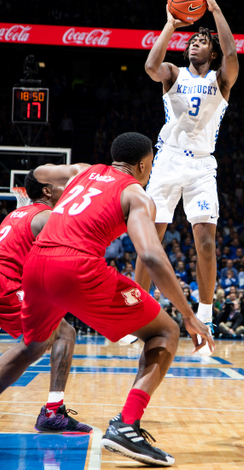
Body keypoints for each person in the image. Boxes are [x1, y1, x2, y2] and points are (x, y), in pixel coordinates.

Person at [19, 133, 214, 466]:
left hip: (35, 265)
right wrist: (188, 313)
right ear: (142, 165)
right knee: (165, 331)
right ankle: (127, 424)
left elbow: (39, 173)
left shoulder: (83, 171)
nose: (150, 172)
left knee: (34, 346)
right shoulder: (137, 194)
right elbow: (151, 255)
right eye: (150, 166)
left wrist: (29, 192)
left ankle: (57, 403)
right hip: (76, 268)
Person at [135, 0, 239, 356]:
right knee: (151, 241)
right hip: (167, 161)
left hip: (201, 167)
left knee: (206, 243)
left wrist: (213, 7)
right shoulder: (173, 75)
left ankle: (206, 314)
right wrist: (170, 24)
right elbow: (149, 65)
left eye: (202, 42)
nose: (195, 43)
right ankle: (135, 312)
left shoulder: (221, 79)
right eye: (191, 41)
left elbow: (231, 51)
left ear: (211, 53)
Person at [0, 171, 91, 433]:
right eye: (64, 185)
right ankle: (52, 412)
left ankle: (53, 410)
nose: (69, 188)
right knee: (39, 344)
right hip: (7, 285)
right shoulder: (48, 217)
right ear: (48, 192)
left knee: (64, 332)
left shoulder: (15, 215)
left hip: (10, 283)